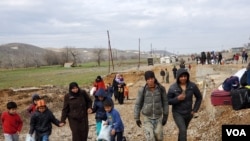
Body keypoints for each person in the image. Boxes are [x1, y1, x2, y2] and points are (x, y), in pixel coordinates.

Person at [167, 68, 202, 141]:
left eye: (185, 76)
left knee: (183, 131)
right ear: (178, 77)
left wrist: (194, 110)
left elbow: (199, 97)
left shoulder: (192, 86)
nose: (183, 78)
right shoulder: (173, 87)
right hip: (177, 113)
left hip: (189, 113)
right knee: (183, 130)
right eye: (181, 76)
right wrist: (177, 99)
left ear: (187, 76)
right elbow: (167, 101)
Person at [134, 70, 169, 141]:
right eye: (148, 79)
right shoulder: (142, 90)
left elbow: (165, 102)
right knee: (150, 138)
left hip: (158, 117)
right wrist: (137, 118)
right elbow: (138, 104)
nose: (150, 80)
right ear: (146, 80)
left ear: (154, 78)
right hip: (147, 118)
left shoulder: (161, 89)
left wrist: (165, 116)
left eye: (152, 78)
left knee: (159, 138)